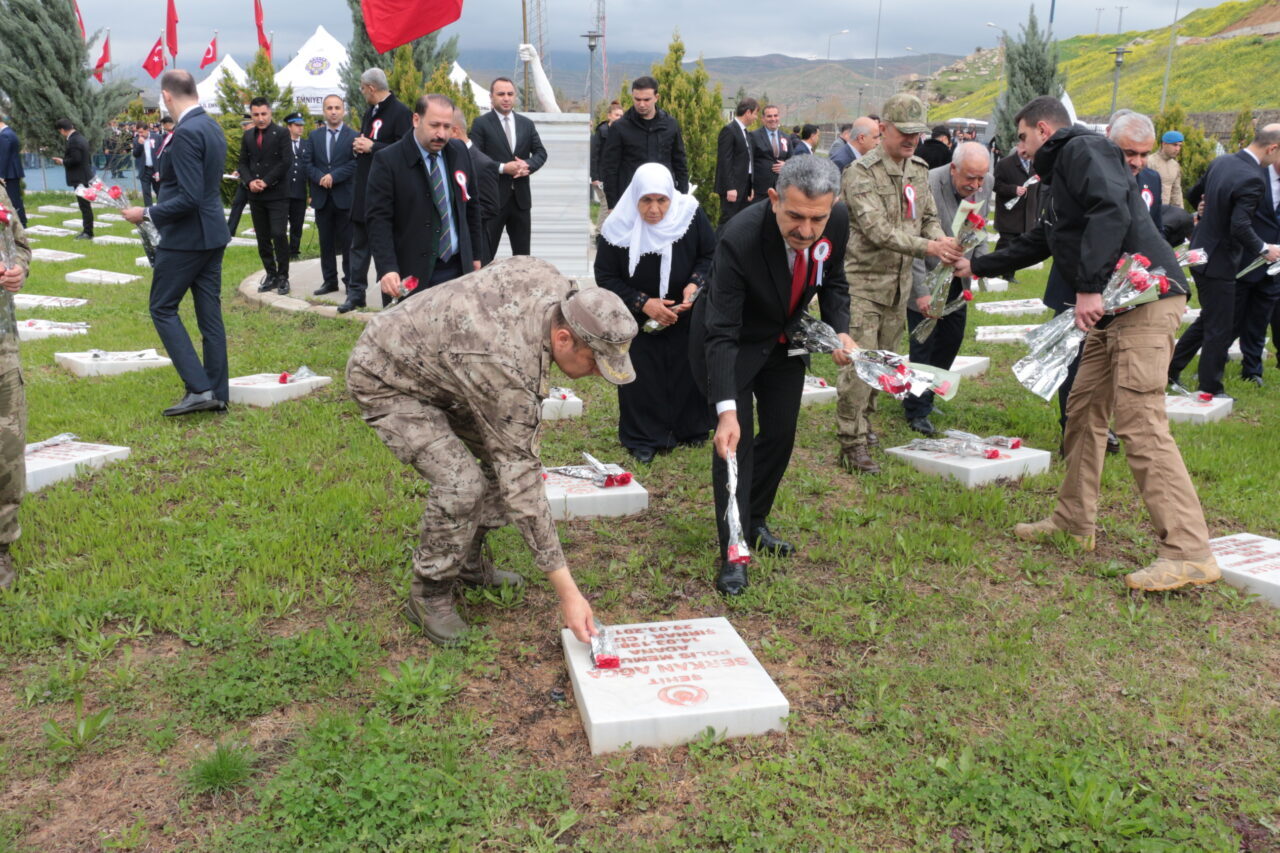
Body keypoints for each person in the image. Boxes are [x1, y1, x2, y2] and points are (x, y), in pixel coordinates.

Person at [958, 95, 1218, 592]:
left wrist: (1088, 287)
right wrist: (978, 265)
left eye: (1021, 138)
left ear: (1042, 128)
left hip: (1143, 299)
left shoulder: (1082, 149)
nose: (1020, 148)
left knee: (1140, 421)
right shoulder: (1064, 173)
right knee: (1083, 410)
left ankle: (1188, 551)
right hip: (1116, 305)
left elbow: (1108, 213)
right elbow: (1043, 239)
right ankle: (1074, 521)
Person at [345, 257, 637, 645]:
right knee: (462, 485)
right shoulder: (507, 369)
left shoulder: (556, 287)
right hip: (386, 375)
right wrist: (569, 593)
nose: (599, 374)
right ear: (563, 339)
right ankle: (429, 592)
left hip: (448, 367)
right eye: (596, 362)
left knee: (500, 462)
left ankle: (466, 562)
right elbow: (523, 482)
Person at [691, 156, 855, 595]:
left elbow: (833, 279)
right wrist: (726, 411)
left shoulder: (835, 220)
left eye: (816, 218)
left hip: (785, 339)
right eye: (795, 216)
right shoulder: (740, 238)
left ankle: (755, 518)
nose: (806, 230)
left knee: (781, 434)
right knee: (734, 447)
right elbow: (721, 331)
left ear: (832, 205)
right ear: (773, 199)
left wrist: (840, 330)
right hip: (735, 342)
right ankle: (734, 549)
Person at [836, 93, 961, 474]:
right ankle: (850, 441)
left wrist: (943, 240)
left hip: (898, 285)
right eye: (904, 133)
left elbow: (927, 217)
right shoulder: (860, 174)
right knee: (860, 368)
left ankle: (866, 423)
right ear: (883, 129)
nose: (911, 141)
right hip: (863, 284)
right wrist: (931, 245)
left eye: (916, 134)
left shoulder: (918, 170)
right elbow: (878, 231)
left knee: (885, 365)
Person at [122, 69, 232, 417]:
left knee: (162, 307)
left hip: (187, 238)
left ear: (167, 96)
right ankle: (217, 391)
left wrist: (147, 212)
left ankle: (200, 388)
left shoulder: (186, 133)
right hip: (211, 233)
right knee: (209, 315)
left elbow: (189, 197)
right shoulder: (210, 125)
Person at [595, 163, 715, 463]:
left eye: (661, 200)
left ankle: (690, 429)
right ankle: (644, 436)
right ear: (634, 198)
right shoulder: (617, 227)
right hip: (638, 317)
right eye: (646, 200)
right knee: (642, 377)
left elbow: (710, 255)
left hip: (683, 311)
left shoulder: (689, 214)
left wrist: (694, 285)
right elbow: (606, 276)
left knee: (687, 369)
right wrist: (644, 302)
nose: (654, 209)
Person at [1168, 125, 1280, 397]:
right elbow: (1240, 225)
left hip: (1201, 251)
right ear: (1272, 149)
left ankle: (1169, 368)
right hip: (1220, 259)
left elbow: (1196, 194)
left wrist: (1205, 210)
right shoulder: (1254, 177)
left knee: (1211, 319)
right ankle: (1211, 386)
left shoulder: (1223, 161)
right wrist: (1265, 249)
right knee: (1220, 326)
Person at [904, 142, 992, 435]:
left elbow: (981, 228)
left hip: (958, 276)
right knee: (923, 345)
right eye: (970, 178)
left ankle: (927, 394)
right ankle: (916, 409)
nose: (976, 185)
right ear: (953, 169)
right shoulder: (927, 183)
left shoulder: (985, 183)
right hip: (926, 276)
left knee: (951, 340)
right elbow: (912, 240)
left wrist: (980, 264)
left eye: (981, 178)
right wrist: (921, 292)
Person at [366, 94, 483, 299]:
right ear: (416, 120)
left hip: (457, 268)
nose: (441, 134)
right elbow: (378, 220)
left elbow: (471, 206)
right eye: (434, 125)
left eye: (447, 127)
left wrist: (475, 256)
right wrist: (387, 268)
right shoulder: (388, 160)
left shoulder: (459, 152)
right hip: (410, 273)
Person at [341, 68, 414, 313]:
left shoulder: (401, 112)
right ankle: (355, 294)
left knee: (387, 246)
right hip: (364, 188)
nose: (362, 93)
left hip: (388, 191)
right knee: (358, 245)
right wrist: (359, 146)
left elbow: (405, 149)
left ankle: (390, 295)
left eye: (362, 89)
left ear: (371, 88)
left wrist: (373, 147)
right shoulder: (369, 112)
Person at [469, 77, 548, 261]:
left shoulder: (526, 124)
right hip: (492, 201)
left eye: (510, 94)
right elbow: (475, 157)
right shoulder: (481, 124)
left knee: (522, 258)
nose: (506, 98)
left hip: (520, 201)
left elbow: (541, 153)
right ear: (491, 97)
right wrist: (504, 168)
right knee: (485, 256)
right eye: (501, 94)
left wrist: (527, 165)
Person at [600, 76, 689, 209]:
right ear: (632, 97)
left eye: (646, 100)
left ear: (656, 97)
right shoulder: (619, 128)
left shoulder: (671, 125)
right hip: (629, 200)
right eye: (637, 99)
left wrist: (682, 197)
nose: (641, 104)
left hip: (664, 199)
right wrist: (612, 205)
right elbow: (610, 168)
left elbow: (680, 163)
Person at [0, 190, 28, 589]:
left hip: (2, 340)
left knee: (7, 440)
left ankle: (1, 544)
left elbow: (20, 243)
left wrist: (19, 269)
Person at [240, 97, 293, 296]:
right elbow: (242, 163)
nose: (260, 118)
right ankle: (270, 274)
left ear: (270, 112)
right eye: (256, 115)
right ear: (251, 115)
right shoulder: (248, 136)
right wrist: (249, 181)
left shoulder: (281, 133)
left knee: (278, 234)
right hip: (255, 196)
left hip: (277, 194)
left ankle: (283, 277)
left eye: (264, 114)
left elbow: (286, 161)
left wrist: (266, 181)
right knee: (262, 238)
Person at [1234, 158, 1280, 386]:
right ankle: (1212, 363)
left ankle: (1252, 370)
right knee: (1230, 318)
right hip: (1245, 258)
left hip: (1275, 265)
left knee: (1259, 319)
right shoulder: (1254, 176)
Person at [307, 95, 358, 297]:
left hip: (344, 198)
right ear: (324, 111)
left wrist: (333, 176)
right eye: (329, 108)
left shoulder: (354, 136)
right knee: (326, 243)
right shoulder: (314, 136)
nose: (333, 111)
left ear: (343, 110)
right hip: (322, 199)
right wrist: (321, 177)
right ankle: (330, 281)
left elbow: (355, 164)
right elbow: (307, 164)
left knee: (348, 244)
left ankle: (351, 282)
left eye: (337, 107)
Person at [451, 108, 498, 265]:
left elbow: (490, 207)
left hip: (475, 248)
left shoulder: (482, 163)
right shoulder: (448, 157)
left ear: (455, 131)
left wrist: (459, 213)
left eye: (444, 128)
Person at [992, 140, 1041, 284]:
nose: (1026, 153)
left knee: (1017, 247)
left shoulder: (1035, 165)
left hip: (1027, 214)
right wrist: (1013, 189)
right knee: (1005, 244)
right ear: (1018, 147)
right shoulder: (1004, 164)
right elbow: (995, 185)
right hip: (1009, 214)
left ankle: (1009, 274)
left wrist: (1036, 213)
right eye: (1023, 149)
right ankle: (993, 269)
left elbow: (1038, 191)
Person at [713, 97, 757, 225]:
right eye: (755, 114)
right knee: (728, 222)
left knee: (740, 223)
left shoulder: (746, 133)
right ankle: (719, 245)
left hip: (744, 187)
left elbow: (748, 162)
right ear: (748, 112)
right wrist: (730, 187)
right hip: (732, 188)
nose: (756, 118)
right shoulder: (729, 130)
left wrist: (750, 186)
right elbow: (724, 161)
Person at [52, 118, 94, 240]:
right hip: (85, 175)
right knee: (85, 206)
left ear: (62, 130)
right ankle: (88, 230)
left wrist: (62, 161)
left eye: (60, 131)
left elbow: (76, 159)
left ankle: (88, 232)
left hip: (80, 177)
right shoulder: (81, 137)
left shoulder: (74, 141)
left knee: (84, 206)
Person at [283, 112, 310, 260]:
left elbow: (310, 168)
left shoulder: (306, 145)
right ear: (289, 126)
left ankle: (294, 251)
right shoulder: (281, 144)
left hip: (299, 191)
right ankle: (282, 251)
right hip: (283, 191)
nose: (300, 128)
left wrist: (311, 192)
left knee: (297, 224)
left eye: (302, 125)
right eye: (297, 125)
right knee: (280, 225)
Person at [750, 105, 791, 198]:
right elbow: (748, 162)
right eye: (769, 116)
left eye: (775, 115)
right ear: (763, 119)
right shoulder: (753, 136)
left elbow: (793, 159)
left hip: (781, 189)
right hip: (759, 190)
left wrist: (786, 165)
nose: (773, 119)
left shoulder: (786, 137)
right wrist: (749, 186)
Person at [590, 102, 623, 210]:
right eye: (616, 115)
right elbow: (594, 156)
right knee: (606, 205)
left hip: (614, 176)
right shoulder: (602, 131)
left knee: (612, 206)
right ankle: (600, 228)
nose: (619, 118)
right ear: (609, 116)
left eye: (621, 116)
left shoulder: (621, 133)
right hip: (601, 177)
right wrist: (595, 177)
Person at [0, 117, 27, 226]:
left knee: (13, 198)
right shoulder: (10, 132)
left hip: (9, 173)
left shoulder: (4, 135)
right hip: (13, 171)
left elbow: (4, 156)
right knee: (15, 197)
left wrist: (1, 175)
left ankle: (21, 222)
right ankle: (22, 220)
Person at [1149, 130, 1184, 208]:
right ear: (1164, 144)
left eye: (1180, 146)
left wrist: (1180, 212)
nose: (1177, 149)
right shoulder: (1150, 162)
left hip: (1165, 213)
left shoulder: (1175, 166)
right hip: (1149, 210)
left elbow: (1176, 192)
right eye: (1175, 145)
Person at [132, 125, 160, 207]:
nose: (140, 134)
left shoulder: (157, 137)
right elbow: (135, 154)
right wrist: (140, 145)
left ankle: (161, 210)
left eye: (141, 132)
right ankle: (149, 212)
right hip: (144, 170)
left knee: (159, 191)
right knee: (146, 192)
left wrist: (160, 169)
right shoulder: (136, 140)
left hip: (156, 169)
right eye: (138, 132)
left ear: (147, 130)